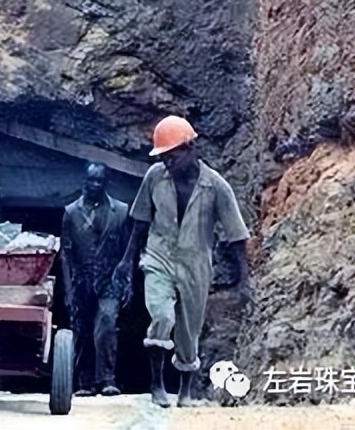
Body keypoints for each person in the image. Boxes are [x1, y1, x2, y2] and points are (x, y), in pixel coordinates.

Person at [111, 116, 250, 408]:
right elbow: (139, 221)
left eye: (171, 157)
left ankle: (185, 391)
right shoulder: (154, 177)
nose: (167, 163)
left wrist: (244, 280)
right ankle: (157, 385)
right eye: (162, 158)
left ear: (190, 148)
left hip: (196, 262)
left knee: (189, 330)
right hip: (159, 255)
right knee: (161, 316)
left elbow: (236, 235)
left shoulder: (216, 186)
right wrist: (127, 260)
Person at [59, 163, 129, 397]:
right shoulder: (70, 212)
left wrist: (127, 282)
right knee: (82, 330)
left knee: (107, 324)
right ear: (85, 181)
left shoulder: (120, 211)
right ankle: (85, 382)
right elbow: (65, 255)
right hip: (82, 280)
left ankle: (107, 379)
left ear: (106, 183)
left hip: (110, 279)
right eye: (92, 180)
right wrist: (68, 289)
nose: (95, 185)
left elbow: (128, 251)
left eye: (100, 181)